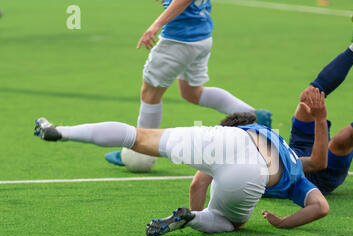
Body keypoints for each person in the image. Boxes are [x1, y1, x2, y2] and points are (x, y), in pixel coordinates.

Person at [189, 14, 353, 228]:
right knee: (344, 139)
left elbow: (199, 183)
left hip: (294, 150)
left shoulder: (255, 153)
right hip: (319, 175)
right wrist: (320, 118)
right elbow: (318, 163)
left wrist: (198, 218)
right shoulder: (283, 178)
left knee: (307, 98)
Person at [34, 86, 330, 236]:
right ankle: (194, 219)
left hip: (220, 140)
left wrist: (316, 115)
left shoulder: (254, 133)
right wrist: (283, 223)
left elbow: (198, 184)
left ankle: (60, 131)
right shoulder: (296, 174)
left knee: (137, 136)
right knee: (231, 222)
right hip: (254, 171)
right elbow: (320, 203)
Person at [105, 0, 272, 168]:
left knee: (150, 94)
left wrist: (156, 25)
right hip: (201, 37)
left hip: (178, 40)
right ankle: (254, 116)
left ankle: (139, 150)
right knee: (191, 92)